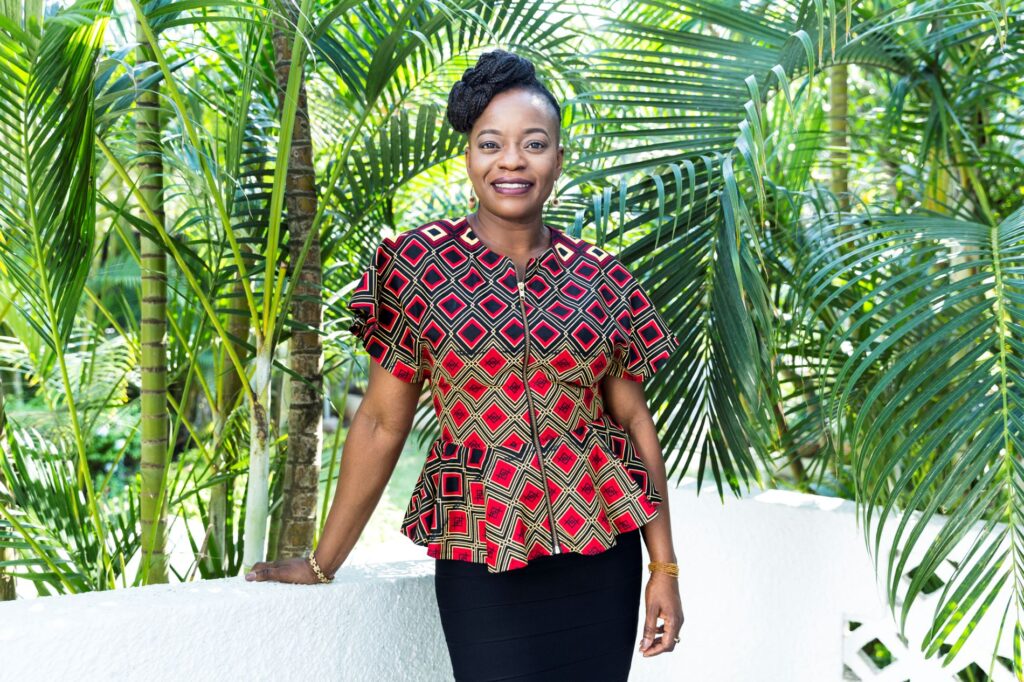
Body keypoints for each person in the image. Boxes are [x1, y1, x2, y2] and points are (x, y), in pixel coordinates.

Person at [246, 48, 684, 680]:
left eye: (534, 144)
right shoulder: (416, 266)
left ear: (559, 157)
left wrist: (663, 569)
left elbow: (636, 423)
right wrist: (322, 561)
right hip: (483, 555)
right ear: (470, 157)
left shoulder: (601, 277)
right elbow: (378, 423)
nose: (512, 161)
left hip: (602, 555)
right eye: (491, 144)